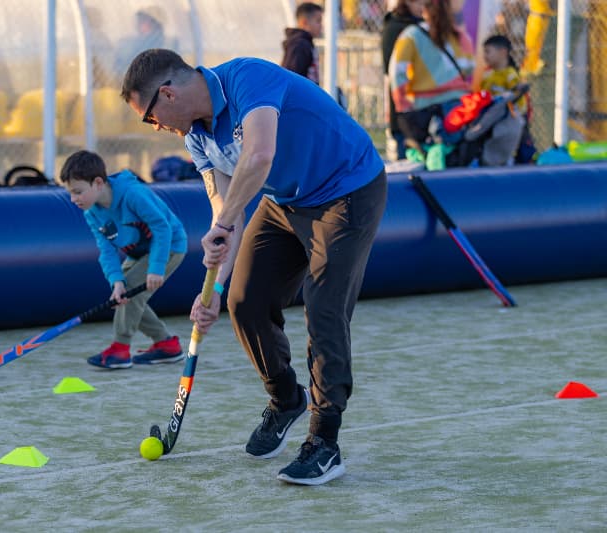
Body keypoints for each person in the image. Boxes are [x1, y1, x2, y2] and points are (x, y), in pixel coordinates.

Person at [120, 49, 386, 485]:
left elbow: (259, 155)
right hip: (288, 202)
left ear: (166, 94)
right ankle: (286, 400)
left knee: (323, 309)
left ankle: (324, 443)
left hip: (347, 191)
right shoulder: (196, 138)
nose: (157, 128)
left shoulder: (247, 78)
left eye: (150, 117)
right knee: (244, 302)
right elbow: (227, 211)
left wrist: (223, 223)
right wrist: (213, 292)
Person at [59, 150, 188, 369]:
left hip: (169, 247)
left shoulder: (132, 194)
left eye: (78, 192)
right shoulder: (91, 212)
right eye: (70, 193)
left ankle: (120, 349)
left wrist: (156, 268)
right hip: (138, 252)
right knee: (125, 295)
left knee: (131, 294)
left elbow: (162, 228)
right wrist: (116, 280)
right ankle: (166, 345)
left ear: (98, 183)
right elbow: (106, 250)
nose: (73, 199)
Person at [388, 0, 475, 153]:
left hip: (424, 109)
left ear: (425, 10)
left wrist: (402, 103)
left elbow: (397, 71)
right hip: (459, 106)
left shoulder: (411, 35)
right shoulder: (459, 36)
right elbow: (469, 68)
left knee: (428, 158)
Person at [480, 34, 536, 164]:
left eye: (488, 51)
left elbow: (518, 98)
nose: (485, 56)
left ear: (503, 52)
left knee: (521, 148)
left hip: (511, 121)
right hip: (494, 120)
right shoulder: (488, 76)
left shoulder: (510, 75)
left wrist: (517, 117)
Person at [381, 0, 424, 160]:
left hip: (423, 104)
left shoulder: (422, 26)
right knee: (407, 156)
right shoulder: (396, 27)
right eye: (419, 3)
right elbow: (392, 68)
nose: (422, 8)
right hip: (404, 104)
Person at [281, 2, 323, 84]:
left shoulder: (306, 43)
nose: (321, 25)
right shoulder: (300, 45)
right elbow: (292, 78)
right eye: (318, 21)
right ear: (305, 22)